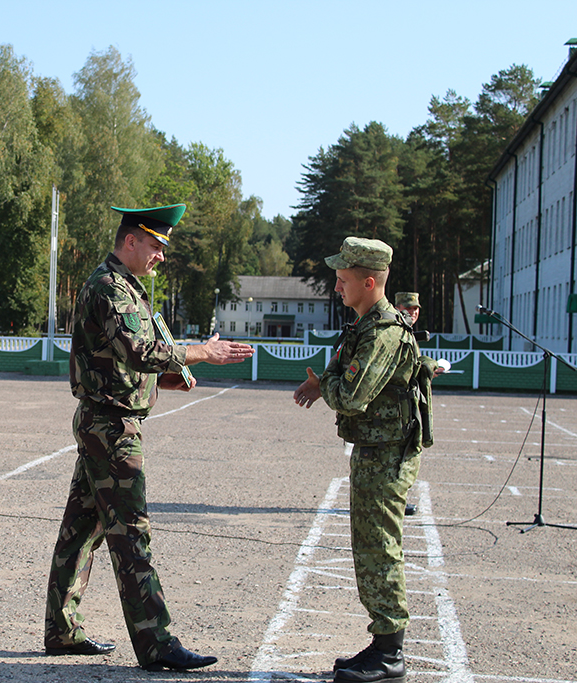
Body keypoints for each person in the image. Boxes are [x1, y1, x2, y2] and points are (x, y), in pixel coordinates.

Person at [44, 203, 254, 672]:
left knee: (81, 531)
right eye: (157, 245)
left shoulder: (126, 288)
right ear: (132, 240)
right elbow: (139, 349)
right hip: (112, 429)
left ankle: (61, 630)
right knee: (131, 535)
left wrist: (169, 378)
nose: (161, 255)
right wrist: (202, 352)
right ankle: (157, 644)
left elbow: (122, 361)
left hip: (108, 421)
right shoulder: (109, 287)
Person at [293, 237, 432, 683]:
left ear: (369, 282)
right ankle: (381, 643)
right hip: (374, 452)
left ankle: (390, 654)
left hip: (387, 456)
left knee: (380, 550)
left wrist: (327, 388)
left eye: (343, 280)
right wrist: (326, 383)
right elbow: (340, 373)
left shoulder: (385, 332)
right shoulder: (362, 326)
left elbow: (351, 394)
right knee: (369, 549)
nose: (336, 288)